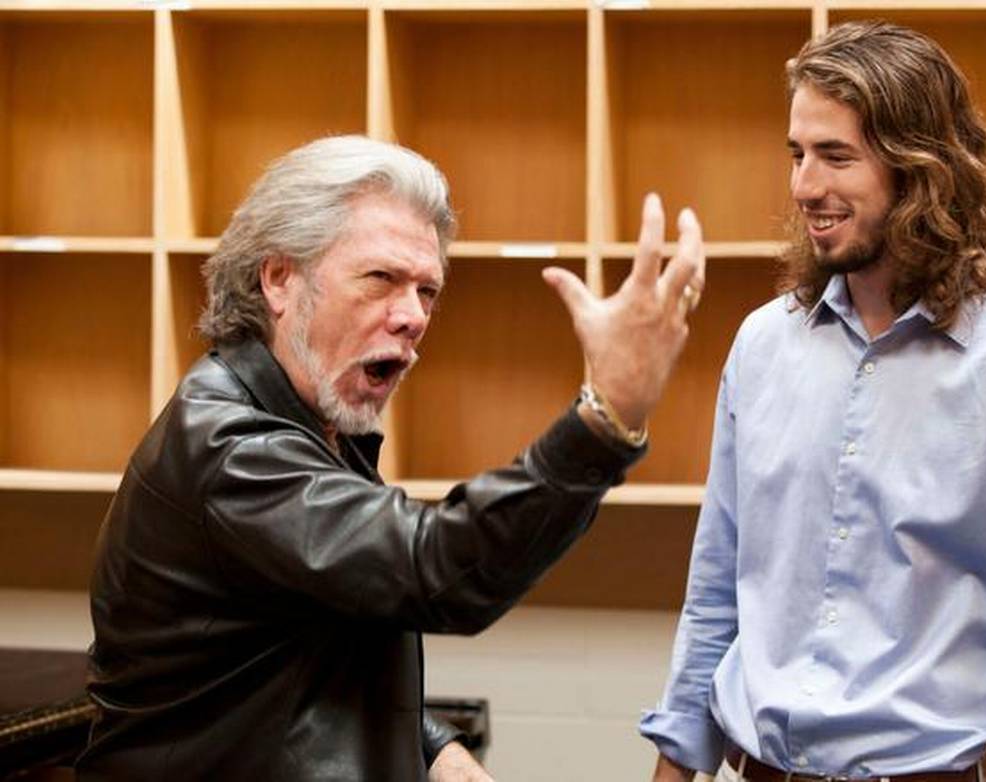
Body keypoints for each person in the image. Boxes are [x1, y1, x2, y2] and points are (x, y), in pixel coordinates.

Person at [77, 135, 705, 780]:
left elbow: (305, 648)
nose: (412, 317)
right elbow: (435, 569)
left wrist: (433, 747)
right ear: (279, 279)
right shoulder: (233, 449)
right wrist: (604, 418)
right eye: (381, 279)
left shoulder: (316, 429)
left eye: (427, 291)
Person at [640, 20, 986, 782]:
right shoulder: (764, 345)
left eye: (836, 157)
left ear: (923, 169)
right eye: (797, 154)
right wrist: (674, 766)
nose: (804, 186)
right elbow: (718, 590)